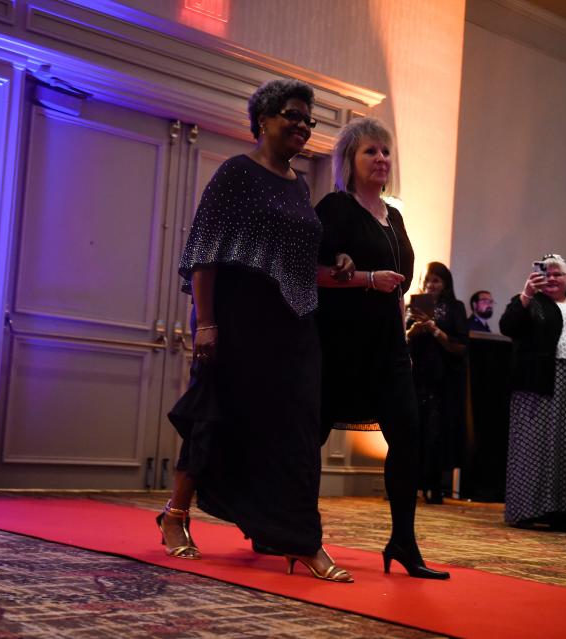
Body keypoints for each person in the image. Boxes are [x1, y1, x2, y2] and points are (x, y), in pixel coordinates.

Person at [159, 79, 353, 583]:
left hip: (293, 324)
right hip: (241, 318)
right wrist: (206, 323)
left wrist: (338, 263)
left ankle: (296, 537)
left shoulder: (298, 186)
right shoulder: (236, 175)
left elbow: (297, 261)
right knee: (215, 416)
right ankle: (175, 515)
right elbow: (205, 251)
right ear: (263, 118)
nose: (303, 126)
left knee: (296, 429)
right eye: (293, 115)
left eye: (309, 121)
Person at [316, 117, 449, 579]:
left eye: (385, 152)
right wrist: (363, 278)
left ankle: (403, 542)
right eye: (371, 151)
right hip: (339, 343)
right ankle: (299, 532)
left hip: (388, 348)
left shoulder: (395, 217)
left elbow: (399, 289)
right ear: (349, 161)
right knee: (309, 436)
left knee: (407, 438)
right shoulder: (334, 207)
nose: (381, 159)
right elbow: (312, 272)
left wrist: (403, 341)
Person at [499, 254, 566, 531]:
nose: (553, 278)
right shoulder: (528, 302)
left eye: (558, 274)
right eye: (547, 273)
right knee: (534, 446)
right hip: (536, 383)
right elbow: (507, 327)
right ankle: (528, 510)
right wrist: (525, 295)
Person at [406, 262, 469, 504]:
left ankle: (434, 486)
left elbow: (460, 345)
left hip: (443, 379)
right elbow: (405, 340)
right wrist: (413, 327)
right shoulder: (415, 306)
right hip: (418, 376)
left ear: (445, 284)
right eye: (428, 280)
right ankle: (413, 483)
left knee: (437, 432)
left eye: (436, 281)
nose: (431, 285)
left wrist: (433, 328)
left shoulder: (455, 307)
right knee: (416, 429)